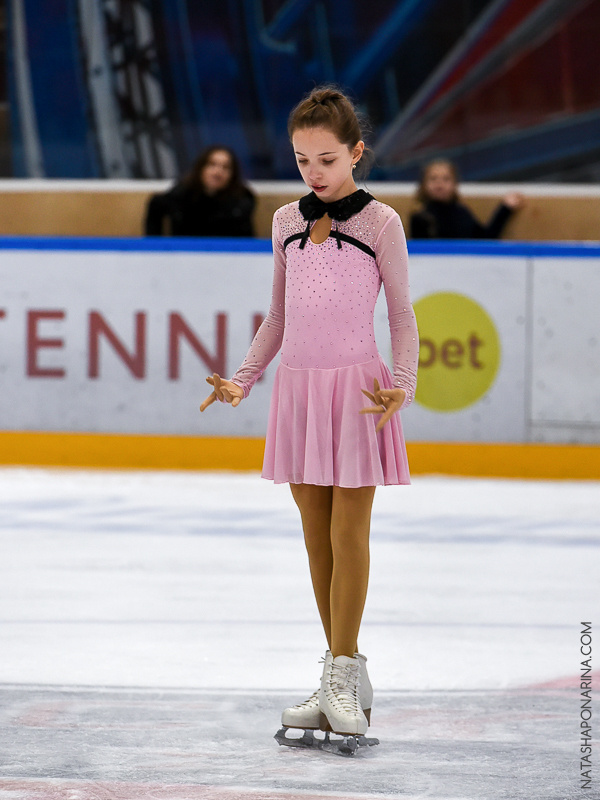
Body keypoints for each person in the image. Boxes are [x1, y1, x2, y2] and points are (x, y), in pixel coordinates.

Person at [200, 87, 418, 745]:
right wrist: (243, 379)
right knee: (315, 537)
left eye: (326, 158)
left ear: (355, 151)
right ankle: (339, 674)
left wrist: (401, 385)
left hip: (358, 393)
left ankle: (343, 675)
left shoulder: (381, 223)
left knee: (350, 535)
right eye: (302, 160)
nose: (314, 172)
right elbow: (280, 316)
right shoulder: (285, 222)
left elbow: (403, 317)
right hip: (298, 391)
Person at [144, 145, 255, 237]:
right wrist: (155, 247)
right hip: (183, 257)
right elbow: (156, 205)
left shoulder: (240, 201)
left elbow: (247, 240)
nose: (217, 172)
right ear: (201, 168)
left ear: (232, 174)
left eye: (225, 167)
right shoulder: (182, 194)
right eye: (212, 164)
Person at [410, 158, 524, 239]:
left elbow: (485, 238)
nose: (439, 184)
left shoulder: (462, 213)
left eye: (446, 179)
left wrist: (505, 209)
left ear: (455, 184)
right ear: (423, 185)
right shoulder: (420, 219)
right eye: (433, 179)